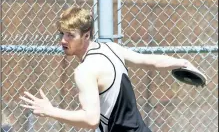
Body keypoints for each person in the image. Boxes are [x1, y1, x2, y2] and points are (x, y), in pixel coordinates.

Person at [20, 7, 195, 132]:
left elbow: (91, 120)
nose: (63, 40)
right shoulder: (111, 48)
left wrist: (51, 111)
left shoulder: (85, 71)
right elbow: (149, 61)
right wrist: (182, 62)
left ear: (86, 35)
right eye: (62, 33)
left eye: (70, 35)